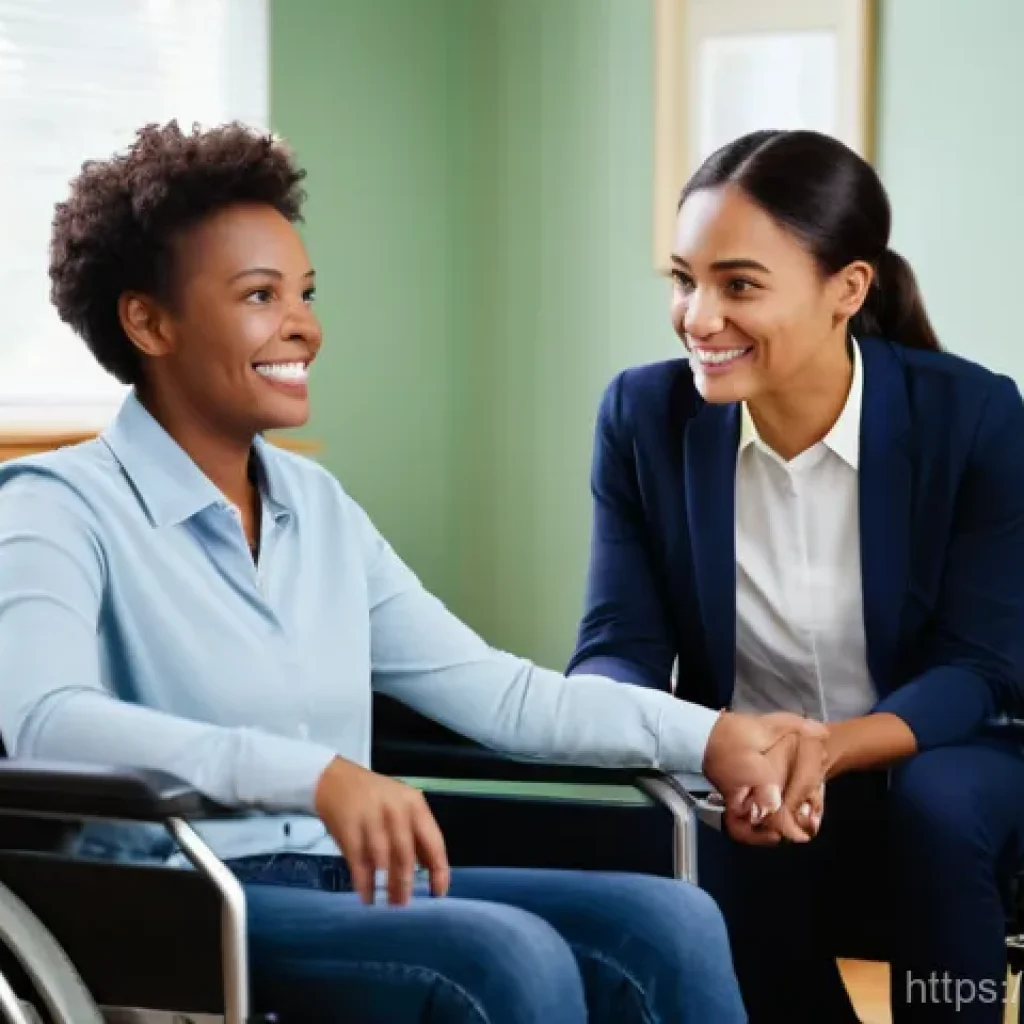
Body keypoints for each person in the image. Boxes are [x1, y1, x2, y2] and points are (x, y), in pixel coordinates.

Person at [0, 122, 821, 1023]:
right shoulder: (51, 505)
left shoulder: (316, 510)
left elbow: (500, 696)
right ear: (148, 320)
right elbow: (46, 726)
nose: (302, 326)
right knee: (504, 956)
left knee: (669, 922)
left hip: (336, 879)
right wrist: (316, 775)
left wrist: (710, 738)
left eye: (305, 293)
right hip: (176, 900)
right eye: (259, 295)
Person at [568, 127, 1024, 1024]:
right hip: (746, 772)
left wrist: (824, 751)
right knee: (704, 825)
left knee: (934, 808)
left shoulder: (974, 415)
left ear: (847, 289)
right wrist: (690, 739)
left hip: (945, 753)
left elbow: (981, 669)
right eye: (683, 279)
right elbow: (617, 645)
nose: (699, 316)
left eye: (738, 285)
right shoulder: (641, 416)